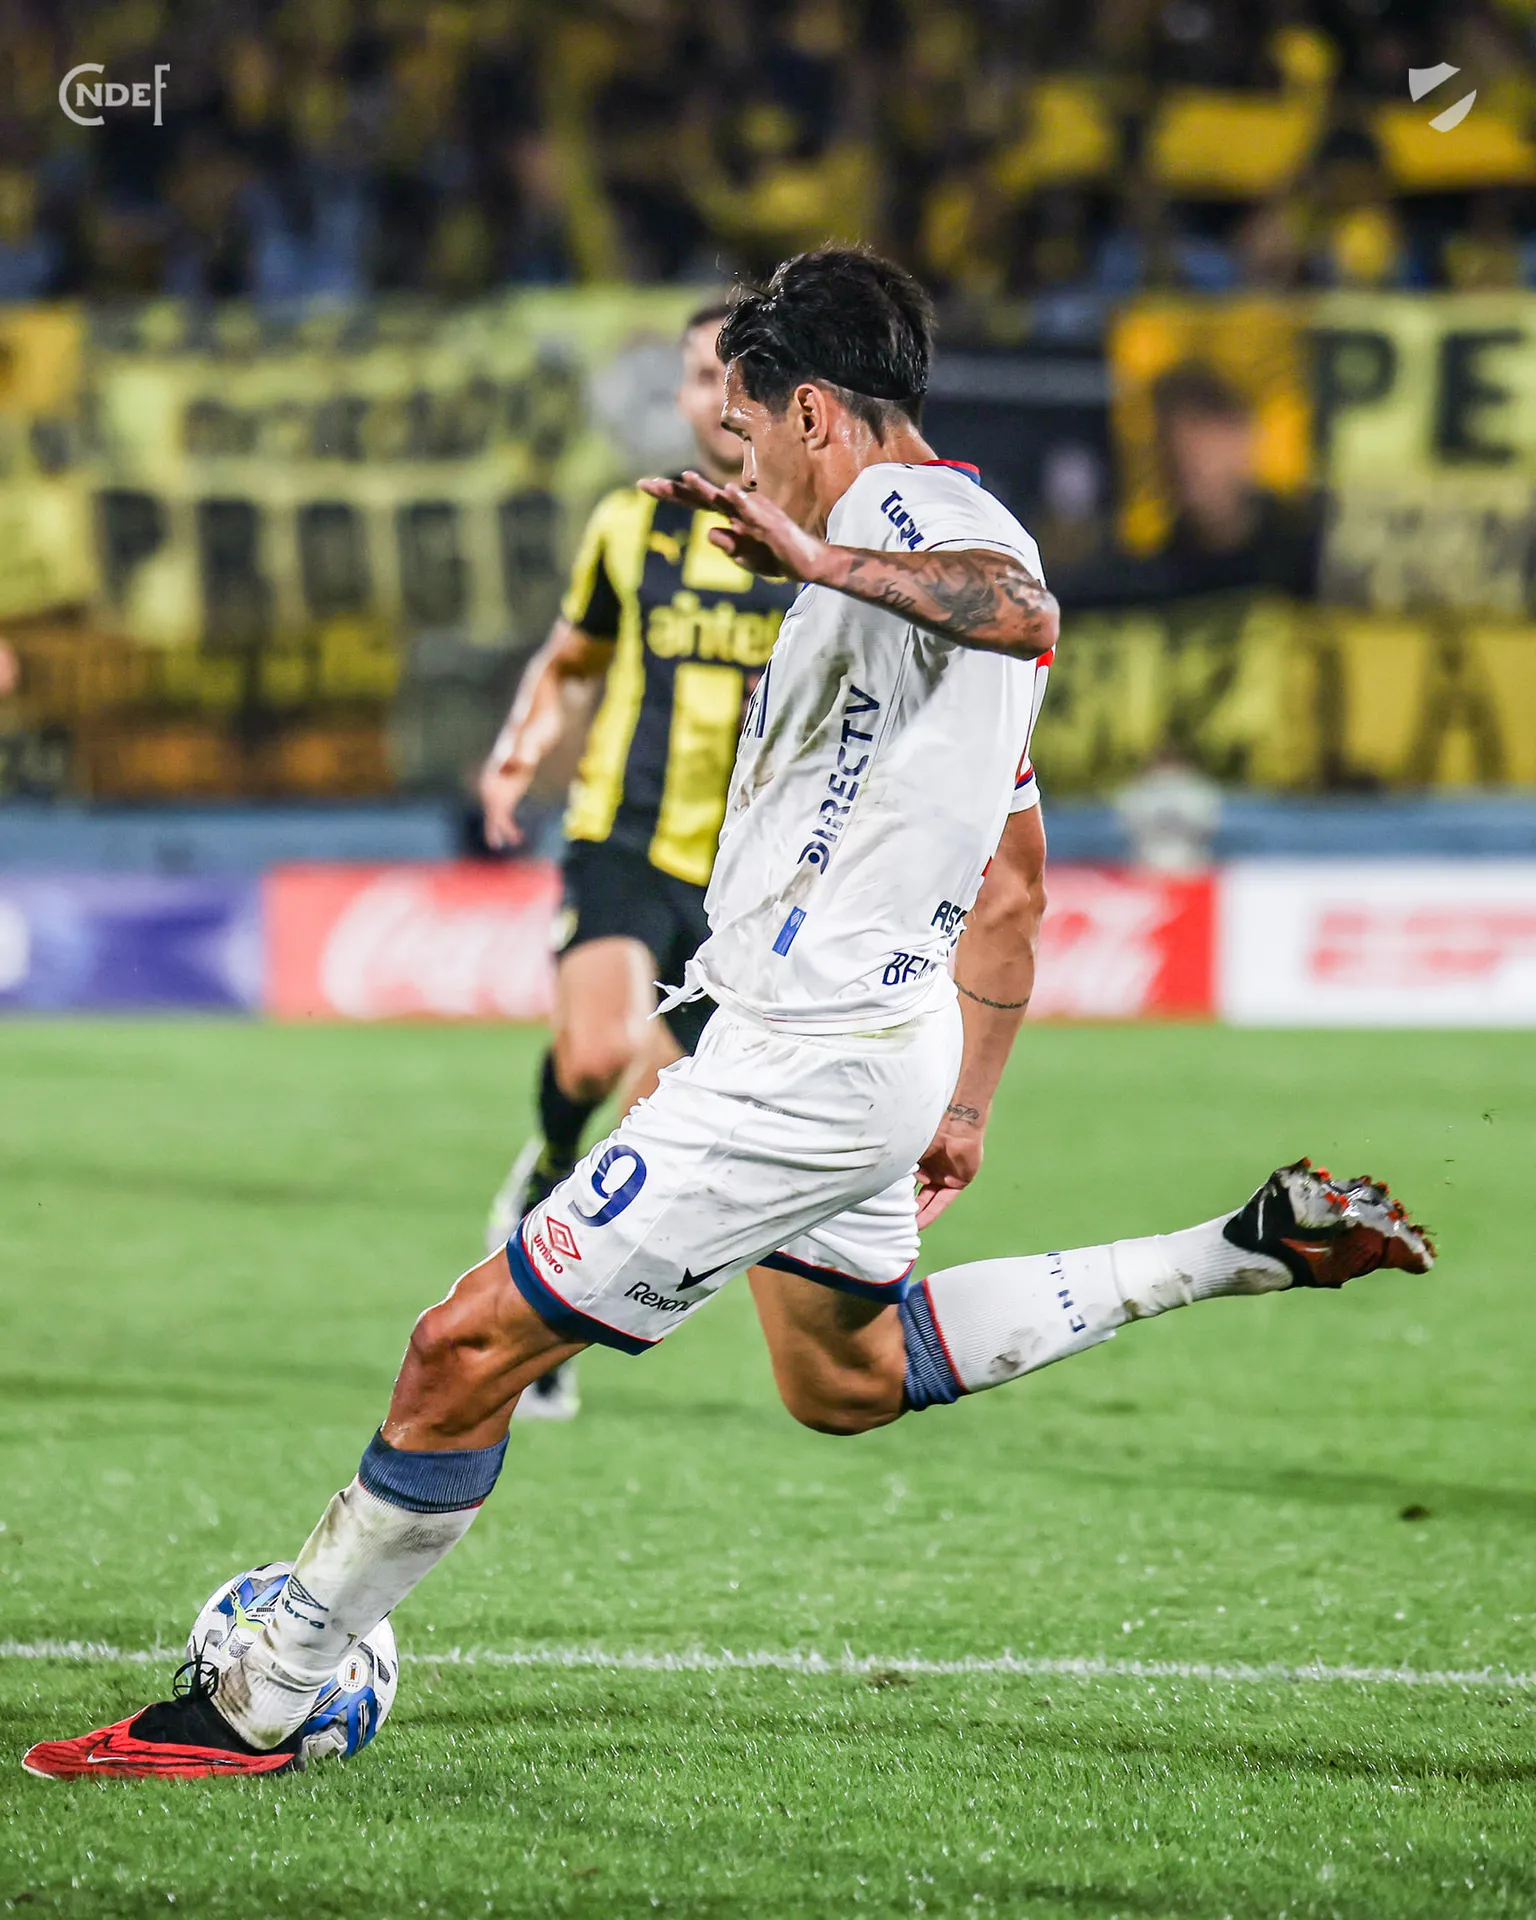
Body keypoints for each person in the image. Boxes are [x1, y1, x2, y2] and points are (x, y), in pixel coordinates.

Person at [24, 248, 1432, 1780]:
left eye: (752, 435)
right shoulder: (911, 616)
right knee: (846, 1377)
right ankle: (1238, 1247)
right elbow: (1017, 885)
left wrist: (819, 558)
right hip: (878, 1048)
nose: (743, 469)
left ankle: (256, 1702)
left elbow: (1021, 603)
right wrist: (962, 1105)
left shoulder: (914, 527)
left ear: (816, 413)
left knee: (460, 1350)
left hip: (804, 1063)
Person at [477, 302, 797, 1419]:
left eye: (741, 375)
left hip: (749, 880)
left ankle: (544, 1294)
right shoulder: (633, 524)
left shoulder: (824, 548)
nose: (722, 397)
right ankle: (539, 1172)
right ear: (683, 395)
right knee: (590, 1057)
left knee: (650, 1119)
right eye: (703, 375)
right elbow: (574, 658)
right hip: (621, 831)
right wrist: (518, 755)